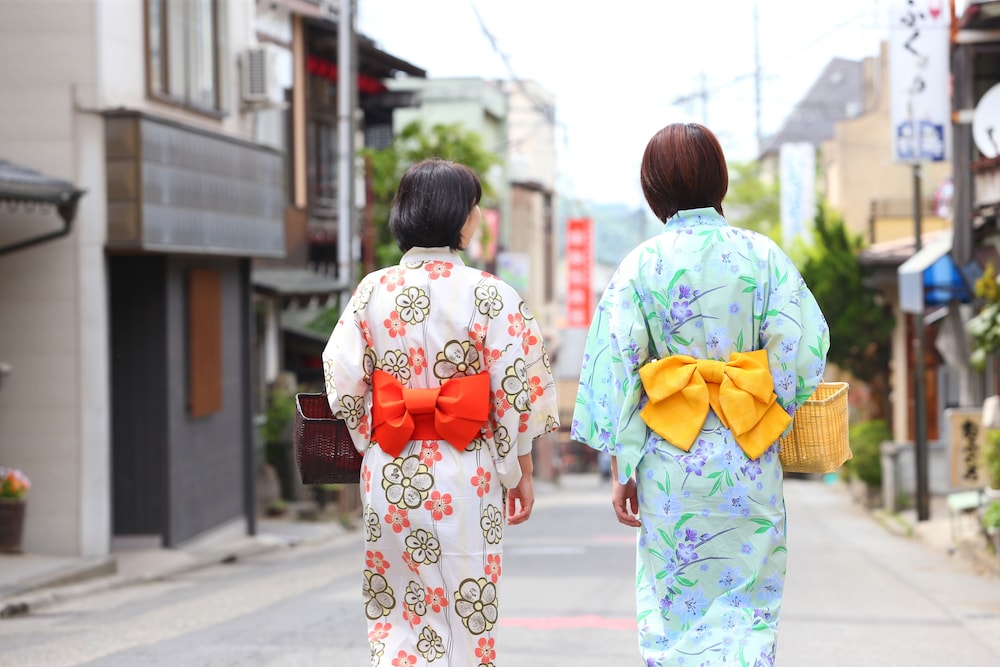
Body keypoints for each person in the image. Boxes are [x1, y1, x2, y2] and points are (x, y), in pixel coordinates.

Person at [571, 123, 830, 666]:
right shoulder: (762, 257)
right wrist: (767, 404)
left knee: (676, 615)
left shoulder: (640, 266)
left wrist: (624, 468)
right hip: (748, 456)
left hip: (671, 461)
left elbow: (617, 367)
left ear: (653, 188)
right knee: (749, 612)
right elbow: (804, 347)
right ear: (721, 181)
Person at [322, 158, 560, 666]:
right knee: (468, 605)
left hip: (391, 466)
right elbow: (516, 390)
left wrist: (371, 437)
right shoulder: (491, 294)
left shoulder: (373, 291)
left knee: (398, 610)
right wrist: (517, 465)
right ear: (464, 219)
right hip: (466, 468)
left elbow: (340, 378)